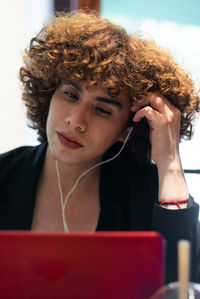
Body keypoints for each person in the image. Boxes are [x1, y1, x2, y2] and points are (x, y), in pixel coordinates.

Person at [0, 11, 199, 283]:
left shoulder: (148, 193)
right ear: (49, 94)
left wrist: (170, 164)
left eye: (102, 110)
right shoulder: (4, 175)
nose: (76, 120)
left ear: (126, 129)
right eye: (70, 95)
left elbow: (181, 283)